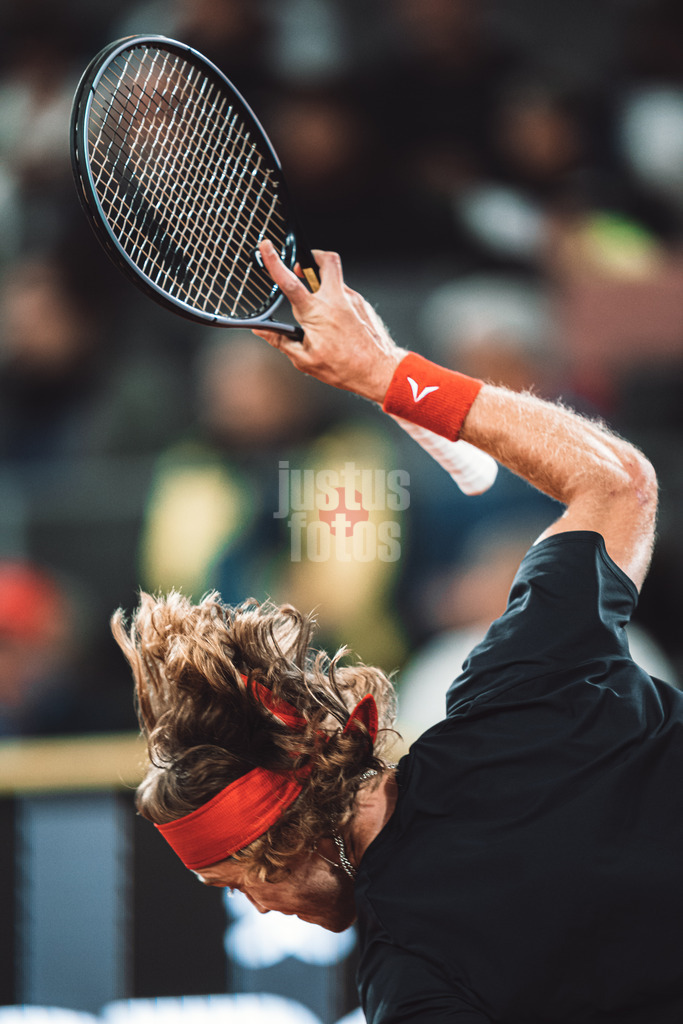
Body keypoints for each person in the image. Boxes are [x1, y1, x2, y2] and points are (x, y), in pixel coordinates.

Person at [112, 240, 683, 1023]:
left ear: (284, 829)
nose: (260, 907)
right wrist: (388, 374)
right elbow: (618, 486)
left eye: (237, 878)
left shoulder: (409, 977)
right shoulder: (517, 683)